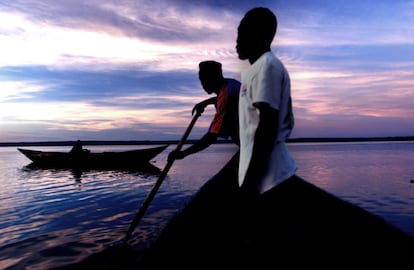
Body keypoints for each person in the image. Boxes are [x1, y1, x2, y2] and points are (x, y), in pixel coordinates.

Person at [236, 7, 297, 197]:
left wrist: (248, 184)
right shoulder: (256, 70)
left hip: (270, 178)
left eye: (241, 34)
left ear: (258, 34)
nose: (236, 41)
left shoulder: (267, 66)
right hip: (264, 177)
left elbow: (267, 127)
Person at [168, 60, 241, 161]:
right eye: (201, 80)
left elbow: (212, 136)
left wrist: (183, 153)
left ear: (215, 78)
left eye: (204, 79)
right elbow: (221, 98)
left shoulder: (227, 97)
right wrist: (205, 103)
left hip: (254, 146)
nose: (202, 84)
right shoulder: (231, 84)